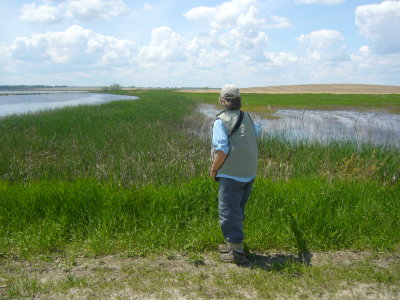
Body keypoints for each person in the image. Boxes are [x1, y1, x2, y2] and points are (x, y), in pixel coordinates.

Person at [210, 84, 261, 266]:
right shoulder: (246, 116)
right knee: (238, 209)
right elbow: (257, 133)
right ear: (238, 99)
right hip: (249, 172)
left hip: (231, 174)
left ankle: (238, 253)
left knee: (229, 212)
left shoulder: (220, 121)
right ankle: (233, 244)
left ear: (223, 100)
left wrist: (214, 169)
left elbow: (221, 150)